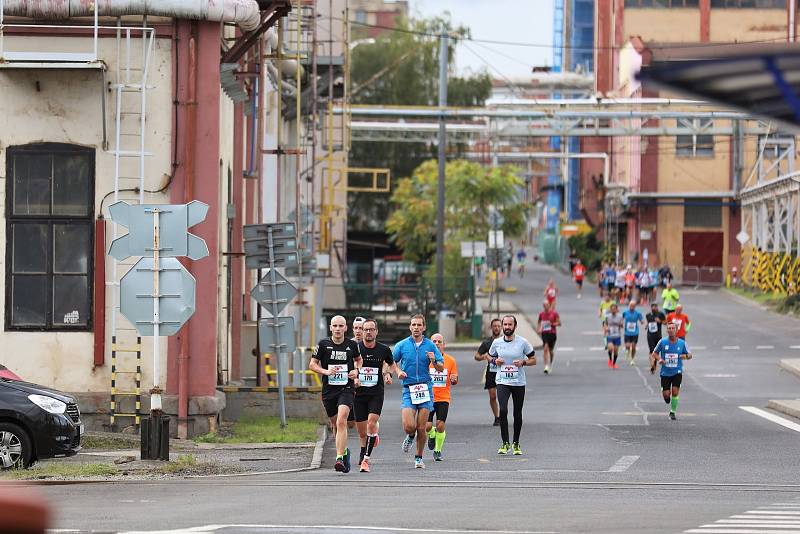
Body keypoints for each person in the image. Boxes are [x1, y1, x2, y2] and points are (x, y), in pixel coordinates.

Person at [309, 315, 362, 473]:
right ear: (330, 328)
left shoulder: (351, 345)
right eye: (335, 326)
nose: (338, 329)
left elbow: (359, 360)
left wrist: (356, 370)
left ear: (346, 328)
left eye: (341, 326)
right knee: (335, 424)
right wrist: (325, 371)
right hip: (329, 390)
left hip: (346, 387)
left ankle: (339, 458)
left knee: (341, 421)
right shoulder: (323, 344)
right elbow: (312, 364)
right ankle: (344, 451)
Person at [393, 314, 444, 469]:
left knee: (421, 427)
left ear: (424, 327)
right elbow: (390, 361)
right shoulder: (402, 345)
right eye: (413, 325)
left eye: (419, 325)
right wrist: (398, 371)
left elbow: (441, 367)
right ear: (410, 327)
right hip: (409, 389)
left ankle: (418, 457)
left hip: (425, 388)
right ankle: (410, 435)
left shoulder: (430, 345)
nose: (416, 328)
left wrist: (434, 360)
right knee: (409, 425)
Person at [353, 318, 397, 473]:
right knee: (362, 431)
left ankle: (366, 459)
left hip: (376, 393)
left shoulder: (383, 349)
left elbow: (391, 364)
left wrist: (388, 375)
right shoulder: (355, 348)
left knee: (372, 423)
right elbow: (350, 366)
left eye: (372, 329)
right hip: (359, 393)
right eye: (366, 329)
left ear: (376, 332)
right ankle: (366, 444)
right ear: (361, 332)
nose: (368, 332)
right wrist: (355, 378)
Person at [489, 315, 536, 455]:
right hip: (502, 381)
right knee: (503, 410)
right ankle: (505, 443)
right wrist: (494, 361)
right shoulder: (496, 342)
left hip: (518, 382)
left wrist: (524, 362)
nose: (507, 327)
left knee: (517, 412)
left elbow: (534, 359)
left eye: (510, 325)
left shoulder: (523, 342)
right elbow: (490, 356)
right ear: (502, 326)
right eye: (505, 324)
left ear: (515, 326)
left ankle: (516, 443)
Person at [426, 333, 459, 462]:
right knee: (427, 426)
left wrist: (454, 379)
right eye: (434, 341)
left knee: (440, 425)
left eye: (439, 341)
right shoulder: (426, 360)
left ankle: (438, 450)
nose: (437, 344)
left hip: (443, 398)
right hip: (428, 397)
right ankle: (432, 434)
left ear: (444, 344)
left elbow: (455, 378)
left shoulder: (450, 361)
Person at [650, 322, 692, 420]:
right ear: (667, 330)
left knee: (675, 391)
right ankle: (665, 394)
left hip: (677, 371)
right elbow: (654, 353)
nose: (671, 330)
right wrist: (659, 359)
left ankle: (672, 412)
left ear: (676, 330)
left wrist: (685, 356)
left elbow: (690, 355)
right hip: (665, 372)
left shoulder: (682, 343)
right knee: (666, 396)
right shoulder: (662, 342)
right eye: (669, 328)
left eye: (673, 328)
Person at [475, 318, 502, 426]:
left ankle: (502, 414)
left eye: (498, 326)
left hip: (503, 372)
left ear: (501, 328)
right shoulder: (487, 342)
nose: (496, 328)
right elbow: (476, 356)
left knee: (503, 396)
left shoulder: (505, 341)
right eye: (494, 326)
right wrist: (483, 357)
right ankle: (497, 417)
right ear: (491, 328)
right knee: (492, 396)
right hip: (491, 372)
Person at [537, 300, 561, 375]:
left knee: (550, 351)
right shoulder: (541, 314)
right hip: (544, 334)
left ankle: (551, 362)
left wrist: (552, 324)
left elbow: (559, 323)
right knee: (545, 348)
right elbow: (539, 321)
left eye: (547, 305)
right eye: (544, 305)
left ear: (549, 305)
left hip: (552, 334)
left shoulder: (554, 313)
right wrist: (538, 329)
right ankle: (546, 366)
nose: (545, 306)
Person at [622, 300, 645, 366]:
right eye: (630, 305)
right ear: (629, 305)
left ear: (635, 306)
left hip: (635, 332)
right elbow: (621, 319)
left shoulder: (638, 313)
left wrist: (643, 322)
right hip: (627, 332)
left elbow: (641, 320)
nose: (631, 307)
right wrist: (621, 323)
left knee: (634, 347)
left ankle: (632, 359)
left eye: (633, 306)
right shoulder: (625, 312)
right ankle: (627, 351)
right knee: (627, 346)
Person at [645, 302, 666, 374]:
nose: (653, 308)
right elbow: (648, 322)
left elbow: (665, 323)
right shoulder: (648, 315)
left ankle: (654, 364)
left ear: (657, 307)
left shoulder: (661, 314)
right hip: (650, 335)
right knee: (651, 350)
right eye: (652, 307)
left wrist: (660, 321)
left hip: (658, 335)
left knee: (656, 351)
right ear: (651, 308)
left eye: (655, 307)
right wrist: (646, 325)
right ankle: (652, 365)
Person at [603, 303, 624, 369]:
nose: (613, 310)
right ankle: (610, 359)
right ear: (610, 310)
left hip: (617, 336)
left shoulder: (620, 316)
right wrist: (606, 328)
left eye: (614, 309)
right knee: (610, 348)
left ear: (617, 309)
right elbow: (605, 324)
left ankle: (614, 363)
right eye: (612, 309)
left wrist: (620, 324)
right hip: (610, 335)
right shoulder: (607, 316)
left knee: (615, 351)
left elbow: (622, 325)